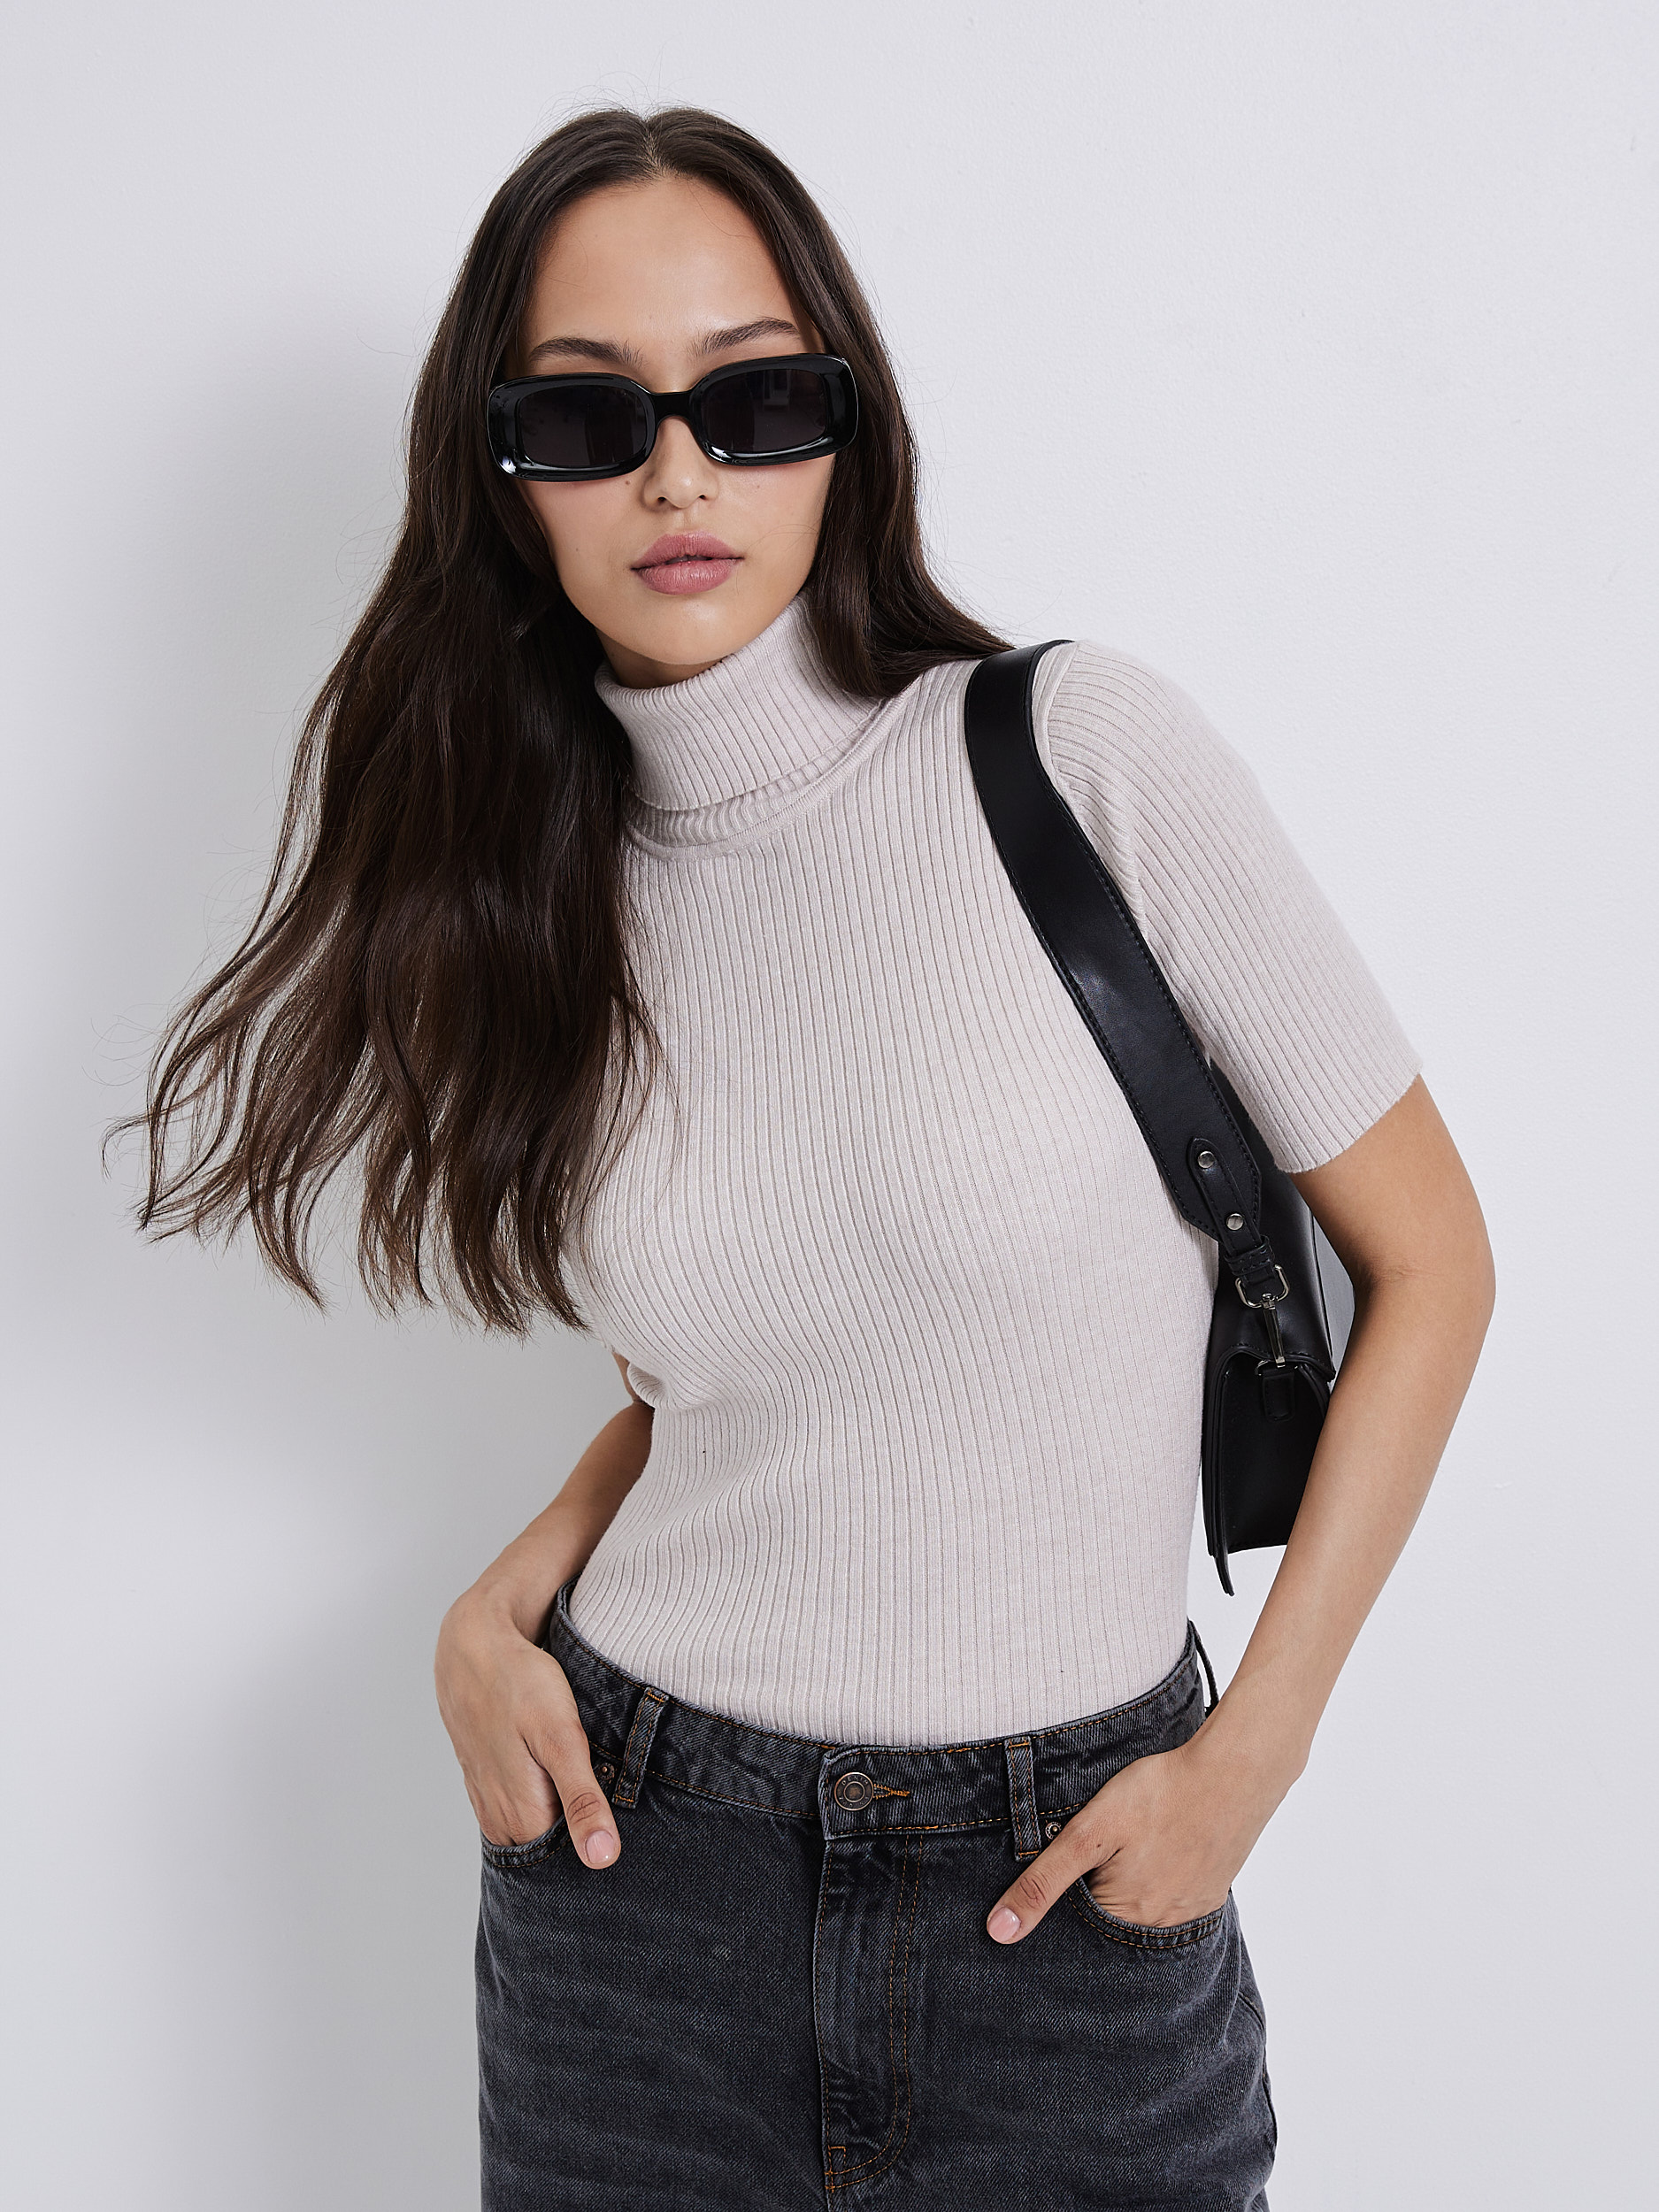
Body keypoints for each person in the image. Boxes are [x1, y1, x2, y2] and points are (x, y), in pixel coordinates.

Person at [131, 105, 1494, 2211]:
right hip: (636, 1901)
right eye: (586, 418)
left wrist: (1254, 1750)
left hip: (1073, 1895)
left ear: (842, 427)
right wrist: (498, 1603)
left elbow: (1431, 1261)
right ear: (500, 478)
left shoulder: (1074, 757)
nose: (677, 475)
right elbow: (737, 1373)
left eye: (752, 399)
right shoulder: (532, 897)